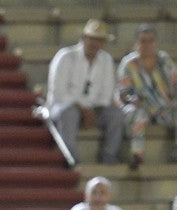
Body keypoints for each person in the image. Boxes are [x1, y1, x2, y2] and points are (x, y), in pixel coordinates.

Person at [117, 25, 177, 168]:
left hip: (163, 107)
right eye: (143, 41)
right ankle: (137, 155)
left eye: (151, 41)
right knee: (136, 115)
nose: (147, 45)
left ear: (155, 43)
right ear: (136, 43)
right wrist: (131, 99)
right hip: (141, 106)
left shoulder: (164, 59)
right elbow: (123, 91)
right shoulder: (128, 64)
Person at [45, 19, 124, 166]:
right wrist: (82, 108)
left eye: (99, 40)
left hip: (94, 109)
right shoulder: (65, 56)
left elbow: (106, 94)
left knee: (116, 115)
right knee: (67, 113)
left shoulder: (106, 60)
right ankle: (72, 160)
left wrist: (91, 110)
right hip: (66, 106)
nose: (95, 43)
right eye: (92, 39)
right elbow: (58, 92)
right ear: (83, 38)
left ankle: (109, 158)